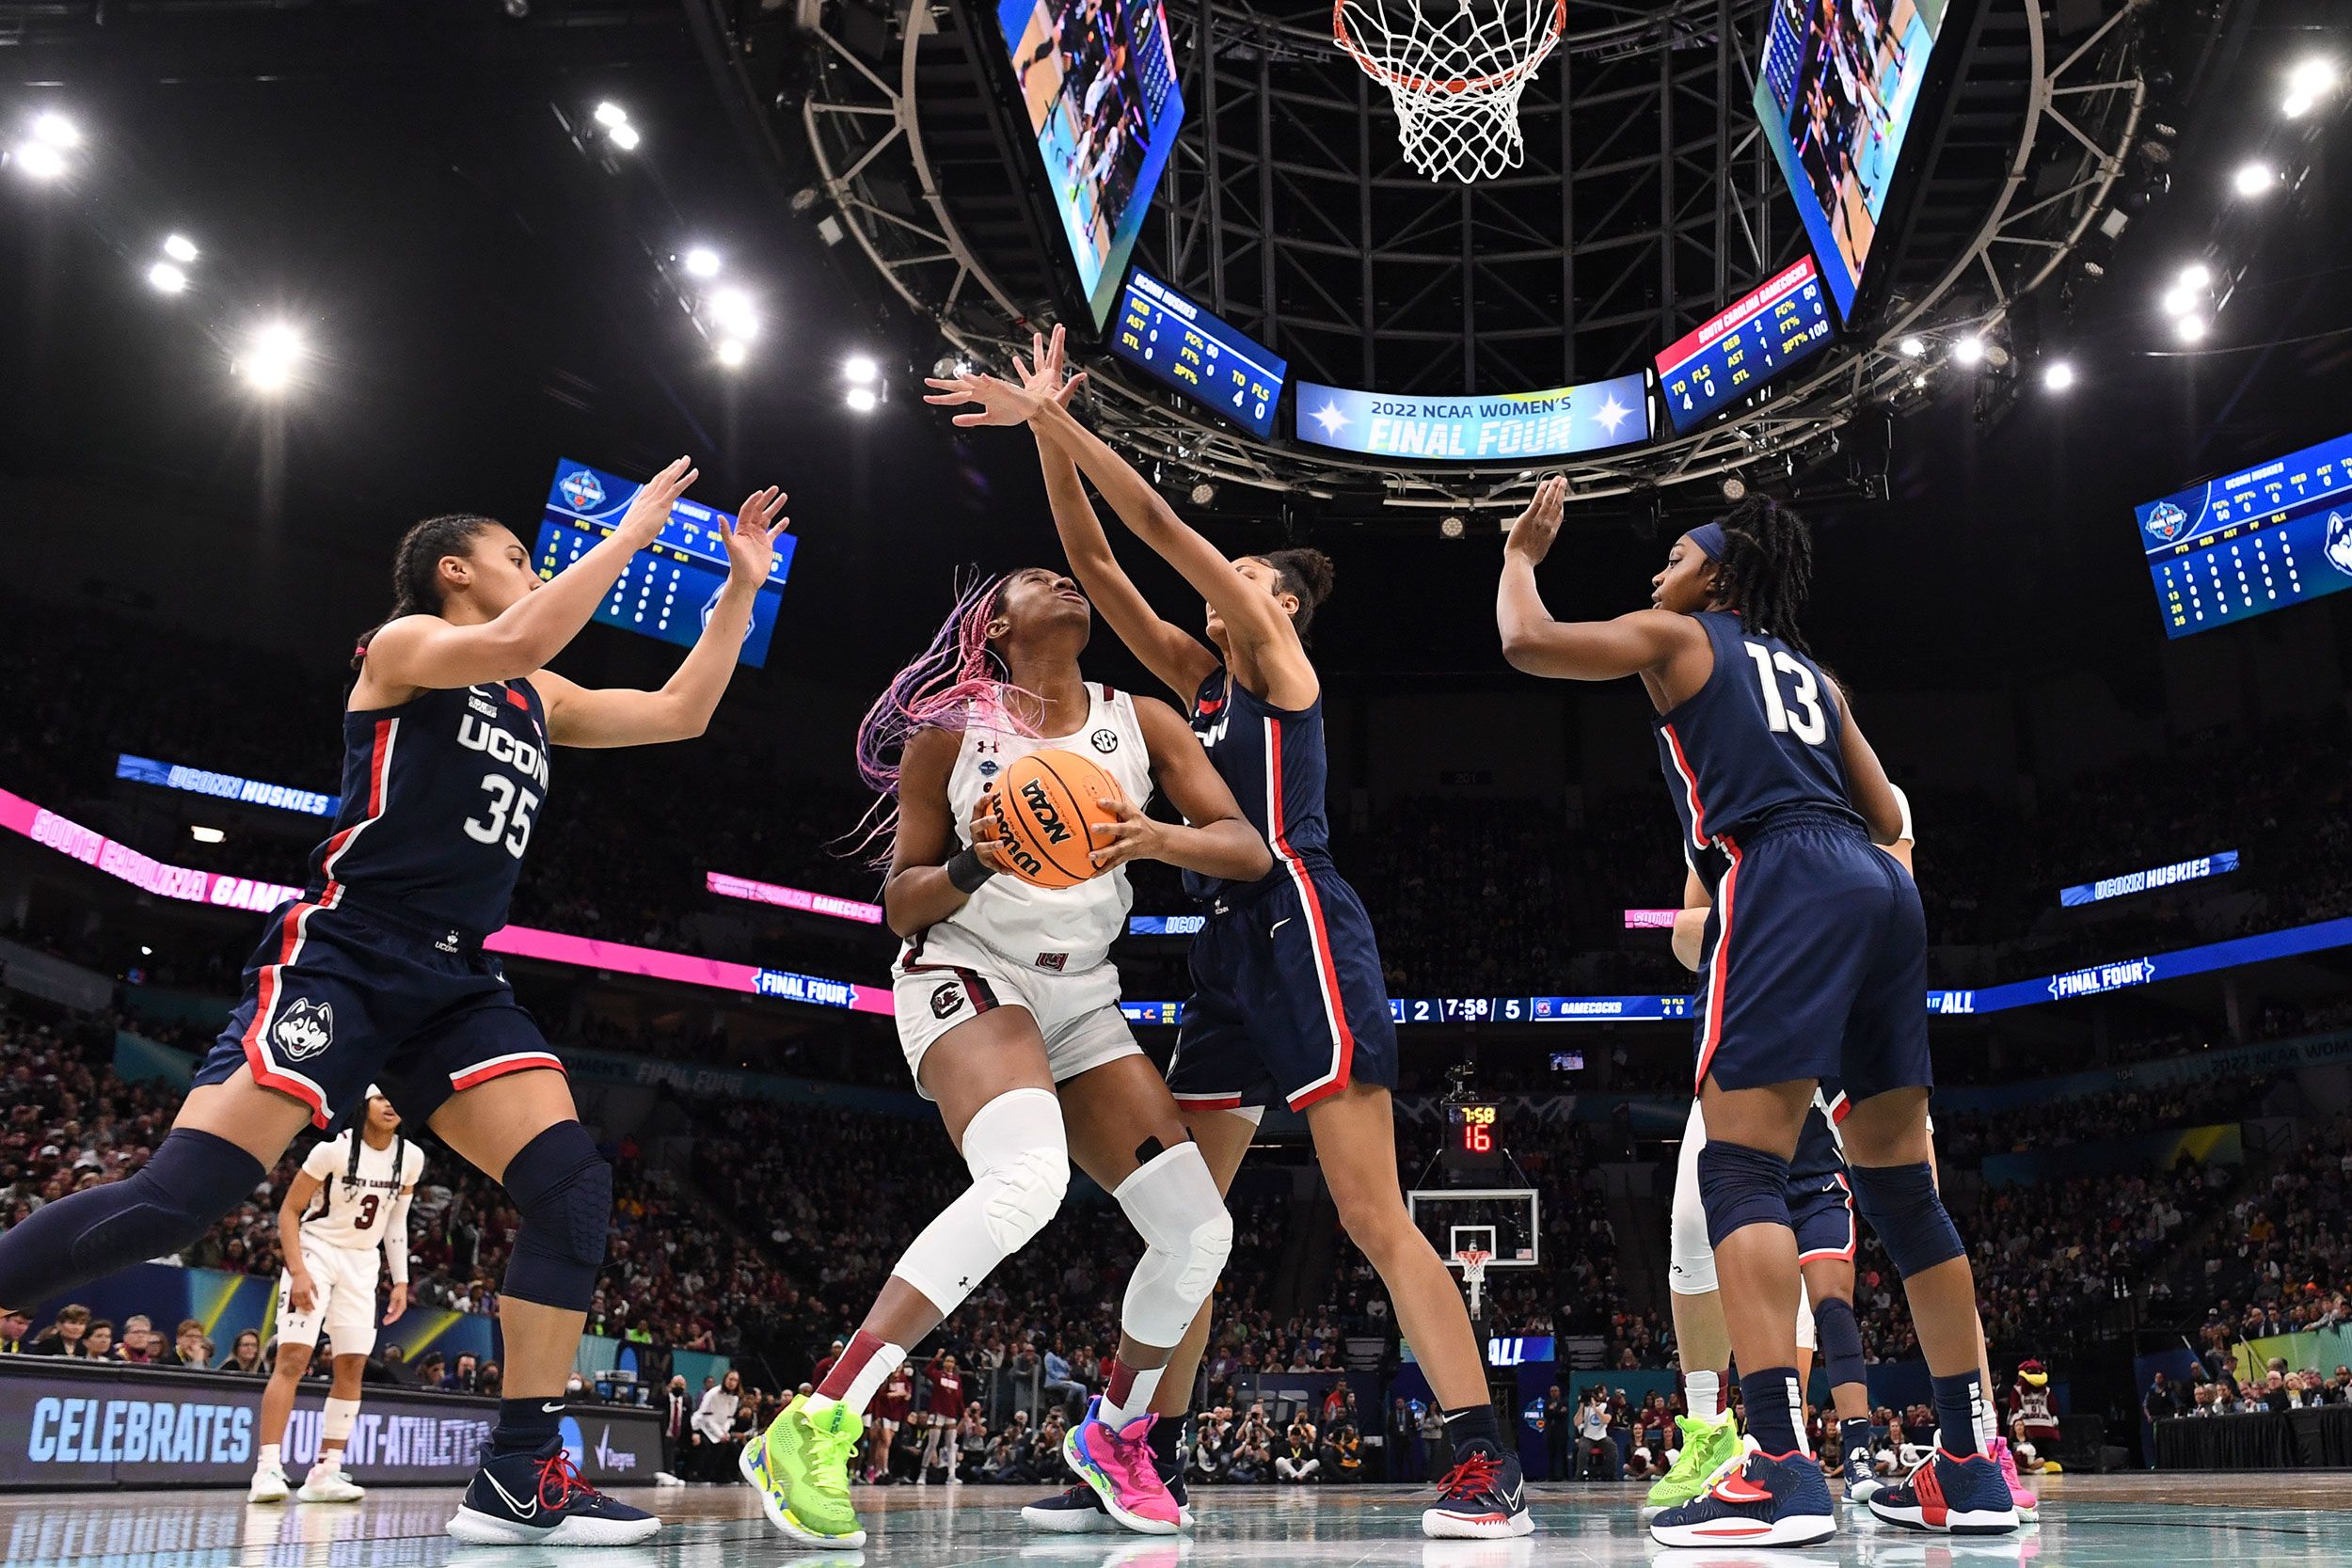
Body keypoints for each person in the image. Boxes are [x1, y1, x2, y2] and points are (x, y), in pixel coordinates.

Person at [0, 463, 786, 1547]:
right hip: (348, 949)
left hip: (459, 978)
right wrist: (634, 533)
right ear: (453, 571)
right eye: (518, 553)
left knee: (568, 1185)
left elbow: (680, 713)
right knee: (180, 1198)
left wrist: (737, 589)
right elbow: (520, 638)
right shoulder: (405, 646)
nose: (536, 565)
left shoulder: (538, 696)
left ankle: (519, 1471)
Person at [930, 328, 1533, 1540]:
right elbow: (1096, 556)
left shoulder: (1274, 659)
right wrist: (1047, 431)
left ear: (1283, 606)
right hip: (1222, 951)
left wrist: (1054, 417)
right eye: (1236, 565)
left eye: (1251, 568)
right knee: (1184, 1224)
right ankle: (1131, 1448)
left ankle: (1485, 1461)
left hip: (1300, 919)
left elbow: (1150, 522)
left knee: (1370, 1208)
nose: (1230, 576)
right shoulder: (1195, 679)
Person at [1495, 483, 2015, 1545]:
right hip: (1880, 886)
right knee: (1904, 1192)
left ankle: (1777, 1467)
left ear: (1716, 576)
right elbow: (1892, 815)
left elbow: (1527, 642)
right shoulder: (1818, 677)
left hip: (1780, 868)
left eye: (1675, 554)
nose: (1658, 570)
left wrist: (1518, 554)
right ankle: (1972, 1463)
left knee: (1738, 1168)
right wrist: (1876, 889)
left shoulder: (1680, 635)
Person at [742, 565, 1258, 1547]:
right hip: (968, 965)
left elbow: (1244, 846)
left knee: (1198, 1232)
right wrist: (979, 860)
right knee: (1027, 1179)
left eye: (1068, 575)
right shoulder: (951, 733)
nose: (1061, 580)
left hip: (1083, 992)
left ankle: (1114, 1435)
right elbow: (899, 902)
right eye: (1034, 578)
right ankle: (815, 1419)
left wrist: (1151, 835)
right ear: (997, 625)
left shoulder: (1141, 719)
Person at [250, 1087, 425, 1505]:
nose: (390, 1103)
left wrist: (400, 1281)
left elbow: (395, 1224)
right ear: (364, 1104)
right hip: (316, 1252)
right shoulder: (332, 1151)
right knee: (292, 1358)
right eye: (381, 1096)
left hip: (363, 1265)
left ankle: (325, 1471)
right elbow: (288, 1212)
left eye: (395, 1097)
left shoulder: (411, 1158)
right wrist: (299, 1270)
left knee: (352, 1365)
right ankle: (268, 1468)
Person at [693, 1370, 744, 1481]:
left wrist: (724, 1432)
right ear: (725, 1379)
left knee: (734, 1449)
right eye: (730, 1379)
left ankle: (723, 1476)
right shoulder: (713, 1393)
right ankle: (702, 1477)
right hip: (702, 1426)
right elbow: (706, 1416)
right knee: (716, 1447)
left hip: (721, 1429)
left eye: (735, 1380)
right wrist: (719, 1434)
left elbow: (729, 1418)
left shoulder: (734, 1398)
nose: (732, 1382)